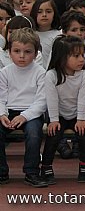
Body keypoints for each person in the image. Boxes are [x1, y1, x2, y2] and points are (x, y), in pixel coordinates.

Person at [0, 27, 47, 187]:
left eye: (27, 52)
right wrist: (2, 115)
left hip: (31, 113)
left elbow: (42, 101)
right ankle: (1, 172)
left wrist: (25, 116)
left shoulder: (40, 72)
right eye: (17, 51)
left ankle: (32, 172)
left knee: (34, 134)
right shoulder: (5, 72)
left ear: (35, 53)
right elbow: (0, 98)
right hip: (8, 112)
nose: (22, 56)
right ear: (9, 52)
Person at [41, 36, 85, 184]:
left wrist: (81, 119)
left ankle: (84, 166)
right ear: (62, 57)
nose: (81, 59)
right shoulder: (51, 75)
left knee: (84, 134)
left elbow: (83, 99)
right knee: (54, 134)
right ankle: (46, 167)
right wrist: (54, 120)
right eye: (76, 56)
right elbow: (51, 99)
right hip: (58, 113)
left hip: (78, 113)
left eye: (83, 55)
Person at [31, 0, 62, 67]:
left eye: (48, 11)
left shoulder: (59, 35)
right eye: (39, 12)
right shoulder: (30, 35)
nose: (44, 15)